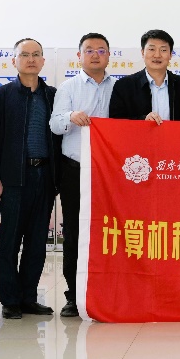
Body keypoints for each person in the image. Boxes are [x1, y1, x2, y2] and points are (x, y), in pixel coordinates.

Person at [0, 38, 57, 319]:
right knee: (10, 241)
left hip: (44, 175)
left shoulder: (52, 95)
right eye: (24, 54)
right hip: (14, 177)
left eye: (36, 54)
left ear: (43, 61)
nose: (31, 59)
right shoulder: (1, 96)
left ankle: (28, 297)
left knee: (37, 242)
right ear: (14, 60)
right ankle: (10, 300)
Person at [50, 33, 116, 318]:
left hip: (111, 172)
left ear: (109, 55)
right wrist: (70, 117)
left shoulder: (120, 88)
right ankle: (73, 296)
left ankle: (107, 292)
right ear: (79, 56)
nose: (95, 55)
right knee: (75, 234)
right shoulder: (68, 87)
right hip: (75, 169)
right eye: (89, 50)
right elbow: (55, 124)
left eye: (101, 50)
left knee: (110, 232)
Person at [109, 29, 180, 122]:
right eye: (152, 49)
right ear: (142, 52)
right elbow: (116, 122)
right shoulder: (124, 86)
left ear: (170, 55)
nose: (157, 55)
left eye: (163, 50)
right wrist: (143, 120)